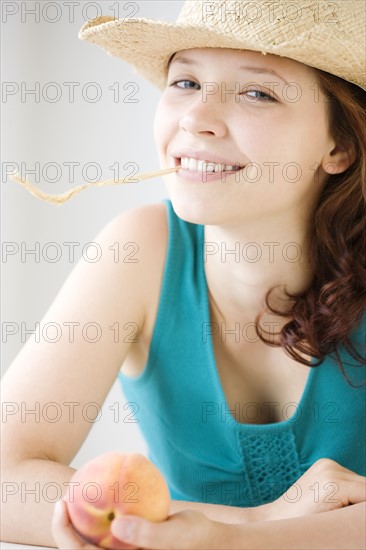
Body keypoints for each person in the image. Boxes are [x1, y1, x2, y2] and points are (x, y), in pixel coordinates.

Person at [2, 1, 365, 548]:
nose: (195, 118)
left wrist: (224, 542)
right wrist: (251, 524)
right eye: (186, 81)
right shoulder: (139, 250)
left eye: (256, 92)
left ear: (339, 145)